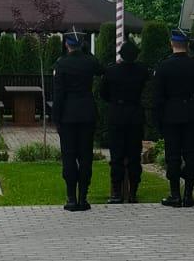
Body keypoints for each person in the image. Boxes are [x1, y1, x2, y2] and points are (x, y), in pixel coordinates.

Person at [152, 28, 194, 207]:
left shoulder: (163, 66)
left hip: (171, 114)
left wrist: (157, 120)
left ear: (171, 44)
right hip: (190, 113)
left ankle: (175, 195)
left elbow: (157, 96)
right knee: (190, 154)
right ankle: (188, 195)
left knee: (173, 155)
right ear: (186, 45)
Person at [51, 30, 100, 212]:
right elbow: (101, 68)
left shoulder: (61, 64)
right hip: (87, 113)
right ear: (82, 44)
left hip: (68, 115)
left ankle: (71, 198)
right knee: (86, 156)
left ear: (66, 44)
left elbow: (58, 94)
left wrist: (56, 117)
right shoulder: (89, 62)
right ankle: (83, 197)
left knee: (69, 156)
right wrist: (87, 52)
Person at [98, 37, 151, 204]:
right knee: (134, 155)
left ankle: (116, 192)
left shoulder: (111, 71)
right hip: (135, 115)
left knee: (117, 156)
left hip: (117, 115)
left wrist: (115, 101)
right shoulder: (142, 71)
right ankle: (133, 191)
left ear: (121, 54)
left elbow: (103, 93)